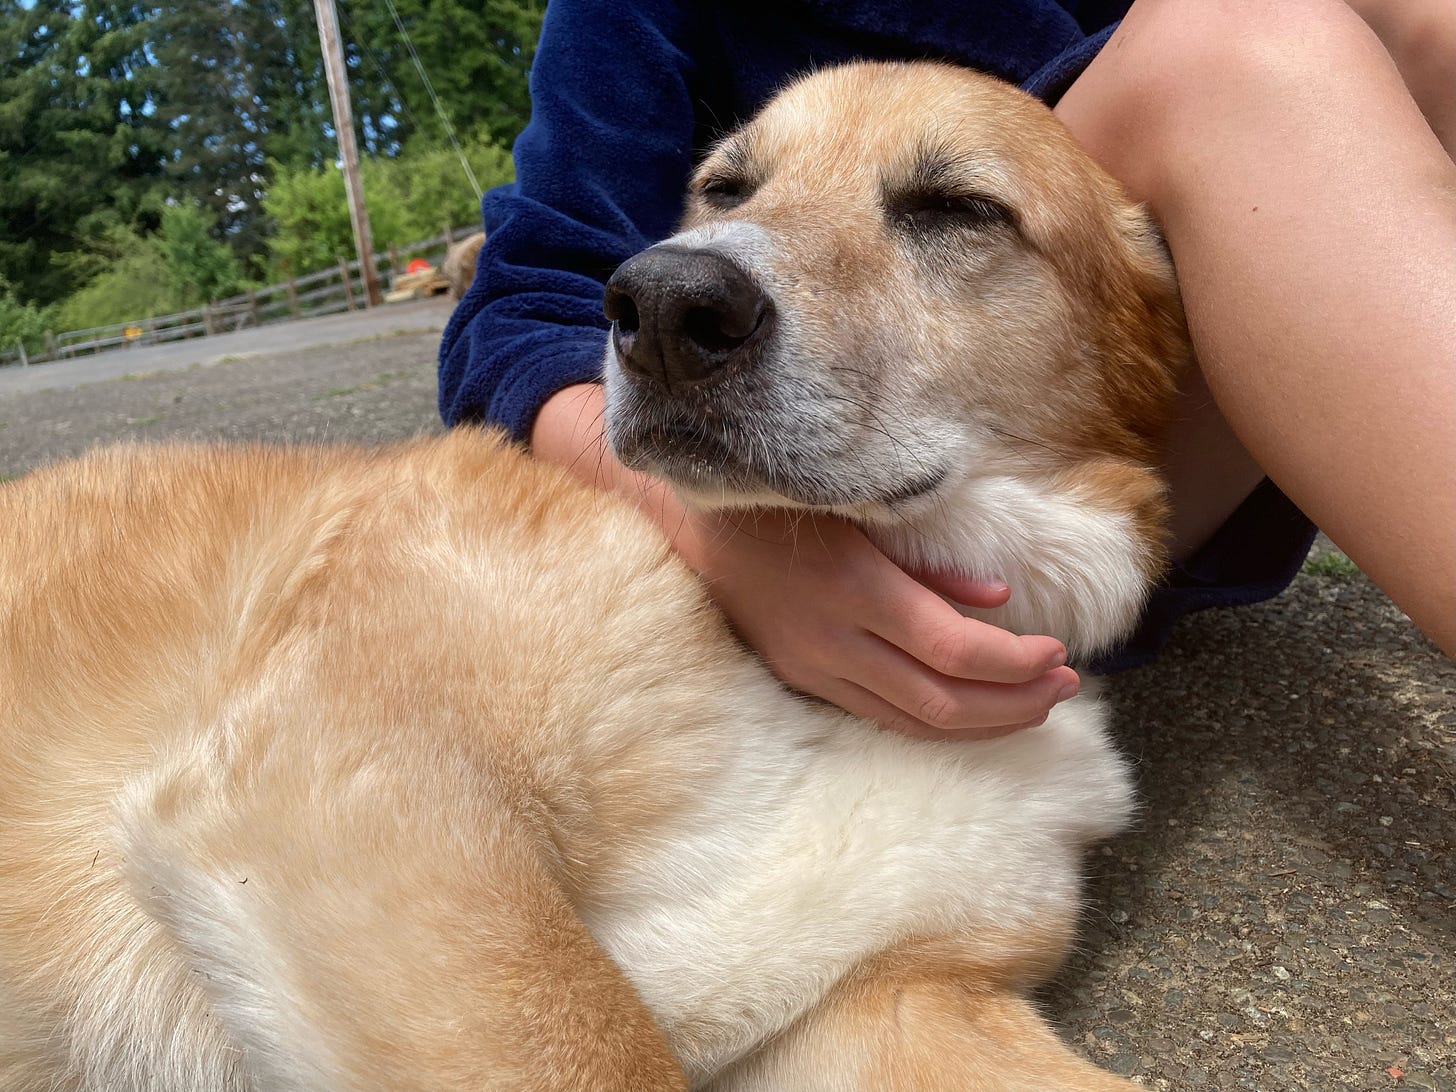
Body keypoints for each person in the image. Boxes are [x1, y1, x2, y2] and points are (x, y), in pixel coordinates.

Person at [439, 0, 1456, 740]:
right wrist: (720, 544)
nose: (686, 287)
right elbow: (525, 303)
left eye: (951, 207)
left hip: (1116, 456)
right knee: (1239, 37)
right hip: (804, 520)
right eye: (730, 188)